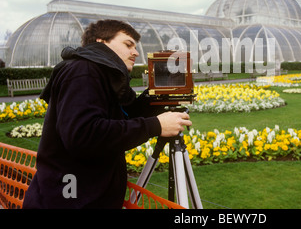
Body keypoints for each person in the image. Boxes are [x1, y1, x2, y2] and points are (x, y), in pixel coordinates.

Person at [23, 19, 191, 209]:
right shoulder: (83, 71)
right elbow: (84, 135)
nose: (135, 52)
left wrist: (154, 98)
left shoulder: (99, 73)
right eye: (128, 44)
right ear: (101, 42)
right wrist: (156, 126)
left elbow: (122, 117)